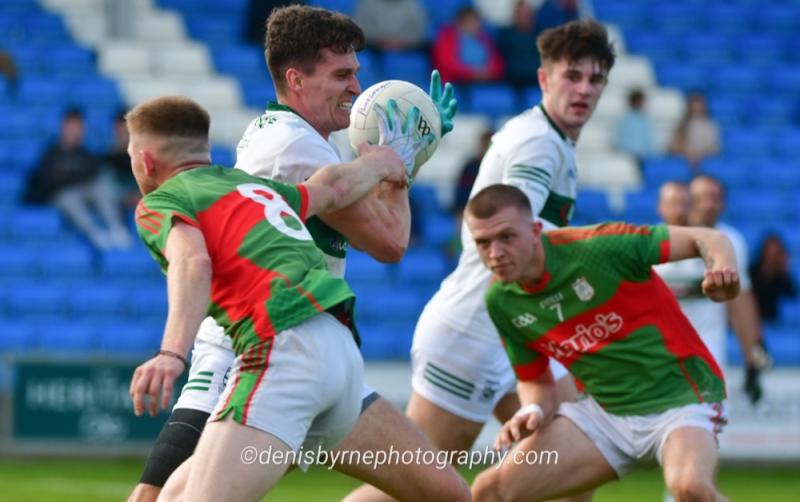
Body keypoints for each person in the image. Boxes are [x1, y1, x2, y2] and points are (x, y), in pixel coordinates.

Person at [128, 5, 467, 502]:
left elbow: (333, 192)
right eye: (342, 74)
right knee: (158, 495)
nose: (357, 87)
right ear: (296, 79)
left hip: (304, 347)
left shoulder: (287, 137)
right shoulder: (296, 147)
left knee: (445, 492)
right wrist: (401, 162)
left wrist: (397, 164)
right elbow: (390, 241)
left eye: (356, 72)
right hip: (250, 349)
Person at [407, 17, 614, 479]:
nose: (583, 89)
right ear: (544, 78)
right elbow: (515, 236)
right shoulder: (540, 144)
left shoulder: (551, 140)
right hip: (473, 332)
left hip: (509, 333)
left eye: (595, 79)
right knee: (414, 487)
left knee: (571, 466)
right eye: (572, 75)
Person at [466, 184, 734, 501]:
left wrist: (724, 274)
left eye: (506, 237)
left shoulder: (600, 246)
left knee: (690, 488)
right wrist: (532, 408)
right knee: (489, 492)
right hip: (606, 416)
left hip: (682, 397)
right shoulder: (501, 300)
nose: (495, 253)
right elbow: (535, 380)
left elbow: (710, 238)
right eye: (483, 243)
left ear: (535, 230)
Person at [656, 175, 767, 404]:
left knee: (705, 426)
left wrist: (752, 357)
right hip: (660, 352)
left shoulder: (728, 242)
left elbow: (740, 303)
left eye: (714, 198)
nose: (707, 204)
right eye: (701, 198)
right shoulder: (655, 241)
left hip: (707, 350)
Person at [23, 107, 132, 250]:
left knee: (101, 186)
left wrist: (68, 176)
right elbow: (49, 180)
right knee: (68, 197)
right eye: (71, 126)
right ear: (63, 127)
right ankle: (96, 235)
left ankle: (117, 229)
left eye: (78, 127)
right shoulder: (50, 154)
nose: (74, 131)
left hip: (85, 193)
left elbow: (93, 174)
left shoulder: (86, 154)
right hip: (63, 197)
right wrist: (73, 178)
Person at [431, 6, 504, 85]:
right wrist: (472, 73)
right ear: (460, 22)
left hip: (484, 83)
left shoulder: (485, 39)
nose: (474, 25)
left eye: (476, 21)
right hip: (456, 84)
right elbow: (446, 65)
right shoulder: (447, 38)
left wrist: (489, 73)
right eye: (469, 22)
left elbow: (497, 64)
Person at [749, 232, 797, 323]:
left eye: (775, 253)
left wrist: (785, 271)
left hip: (774, 322)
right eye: (769, 252)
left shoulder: (782, 277)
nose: (771, 257)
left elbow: (793, 298)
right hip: (753, 320)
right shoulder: (751, 273)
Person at [496, 0, 543, 90]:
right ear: (515, 15)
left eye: (526, 14)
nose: (523, 17)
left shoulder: (541, 35)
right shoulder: (505, 35)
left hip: (536, 81)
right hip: (513, 81)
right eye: (520, 14)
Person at [102, 109, 141, 213]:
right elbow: (108, 184)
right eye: (119, 130)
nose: (123, 135)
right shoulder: (108, 156)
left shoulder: (142, 155)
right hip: (119, 197)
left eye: (125, 131)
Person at [667, 92, 720, 169]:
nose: (697, 107)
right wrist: (686, 153)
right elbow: (671, 146)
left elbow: (715, 149)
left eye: (699, 104)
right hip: (683, 161)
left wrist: (700, 154)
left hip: (704, 160)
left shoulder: (711, 125)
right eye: (695, 104)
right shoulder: (680, 125)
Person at [354, 0, 428, 52]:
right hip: (374, 49)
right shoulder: (367, 3)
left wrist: (402, 42)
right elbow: (361, 28)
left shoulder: (412, 4)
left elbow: (418, 30)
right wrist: (381, 41)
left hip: (406, 49)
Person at [613, 88, 657, 170]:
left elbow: (650, 143)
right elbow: (620, 142)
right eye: (637, 100)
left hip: (645, 159)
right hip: (628, 158)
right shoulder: (624, 120)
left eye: (640, 100)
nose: (639, 103)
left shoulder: (646, 121)